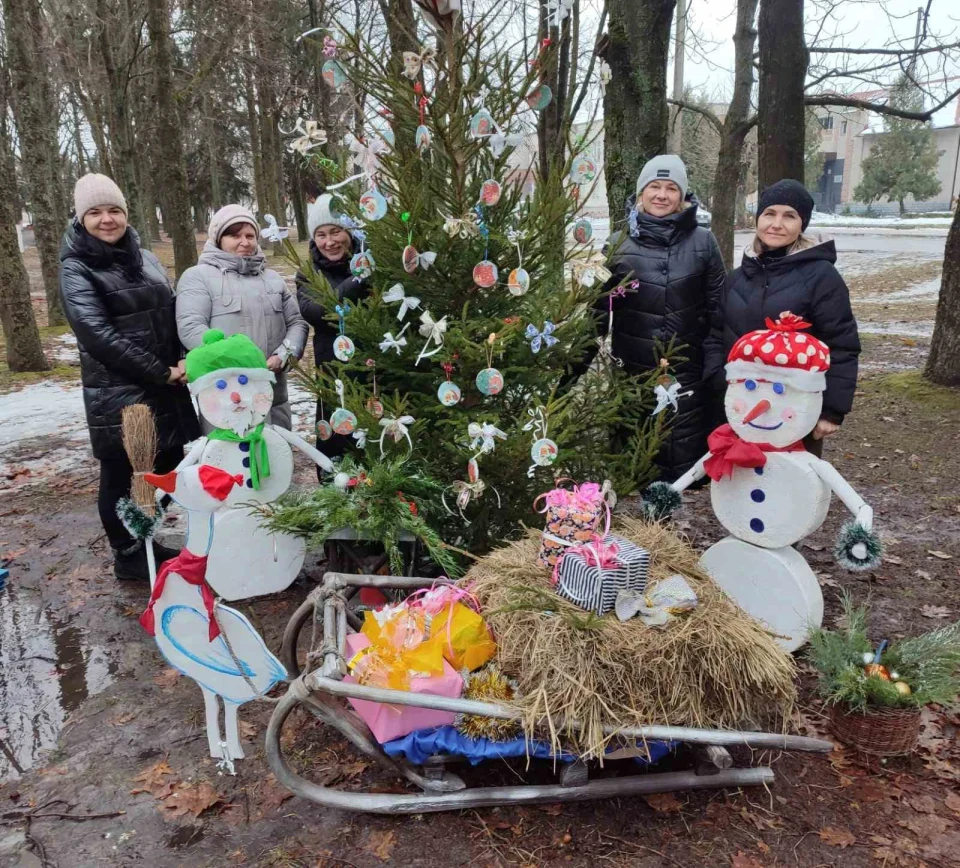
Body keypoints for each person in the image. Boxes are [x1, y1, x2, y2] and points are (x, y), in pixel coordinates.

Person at [59, 173, 200, 581]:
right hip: (120, 391)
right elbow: (96, 334)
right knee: (121, 473)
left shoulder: (142, 254)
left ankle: (145, 535)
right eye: (96, 212)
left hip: (165, 384)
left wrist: (186, 358)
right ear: (81, 217)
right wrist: (161, 371)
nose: (107, 219)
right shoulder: (76, 268)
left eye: (115, 210)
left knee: (169, 461)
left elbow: (169, 309)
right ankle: (127, 554)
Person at [593, 154, 726, 482]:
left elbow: (718, 309)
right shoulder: (617, 245)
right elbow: (597, 311)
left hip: (688, 373)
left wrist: (715, 365)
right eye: (654, 186)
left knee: (683, 462)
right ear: (641, 193)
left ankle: (673, 527)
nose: (662, 195)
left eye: (671, 188)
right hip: (633, 372)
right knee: (637, 462)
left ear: (682, 197)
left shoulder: (703, 243)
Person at [703, 179, 860, 455]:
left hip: (795, 410)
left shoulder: (822, 277)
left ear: (802, 224)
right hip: (742, 405)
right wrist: (718, 380)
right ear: (758, 219)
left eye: (789, 216)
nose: (777, 224)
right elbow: (716, 334)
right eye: (769, 214)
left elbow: (842, 345)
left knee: (791, 489)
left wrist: (833, 410)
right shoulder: (737, 279)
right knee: (741, 488)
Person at [175, 204, 307, 430]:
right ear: (219, 238)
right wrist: (243, 360)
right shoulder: (198, 278)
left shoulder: (273, 279)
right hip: (224, 393)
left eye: (250, 235)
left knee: (275, 458)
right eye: (235, 235)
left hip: (273, 391)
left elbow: (296, 323)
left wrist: (283, 356)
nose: (244, 242)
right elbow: (191, 328)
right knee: (230, 462)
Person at [295, 194, 370, 470]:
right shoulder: (308, 273)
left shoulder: (377, 265)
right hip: (334, 378)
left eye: (336, 231)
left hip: (376, 375)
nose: (330, 242)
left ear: (349, 231)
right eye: (321, 234)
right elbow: (317, 312)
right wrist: (357, 280)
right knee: (335, 447)